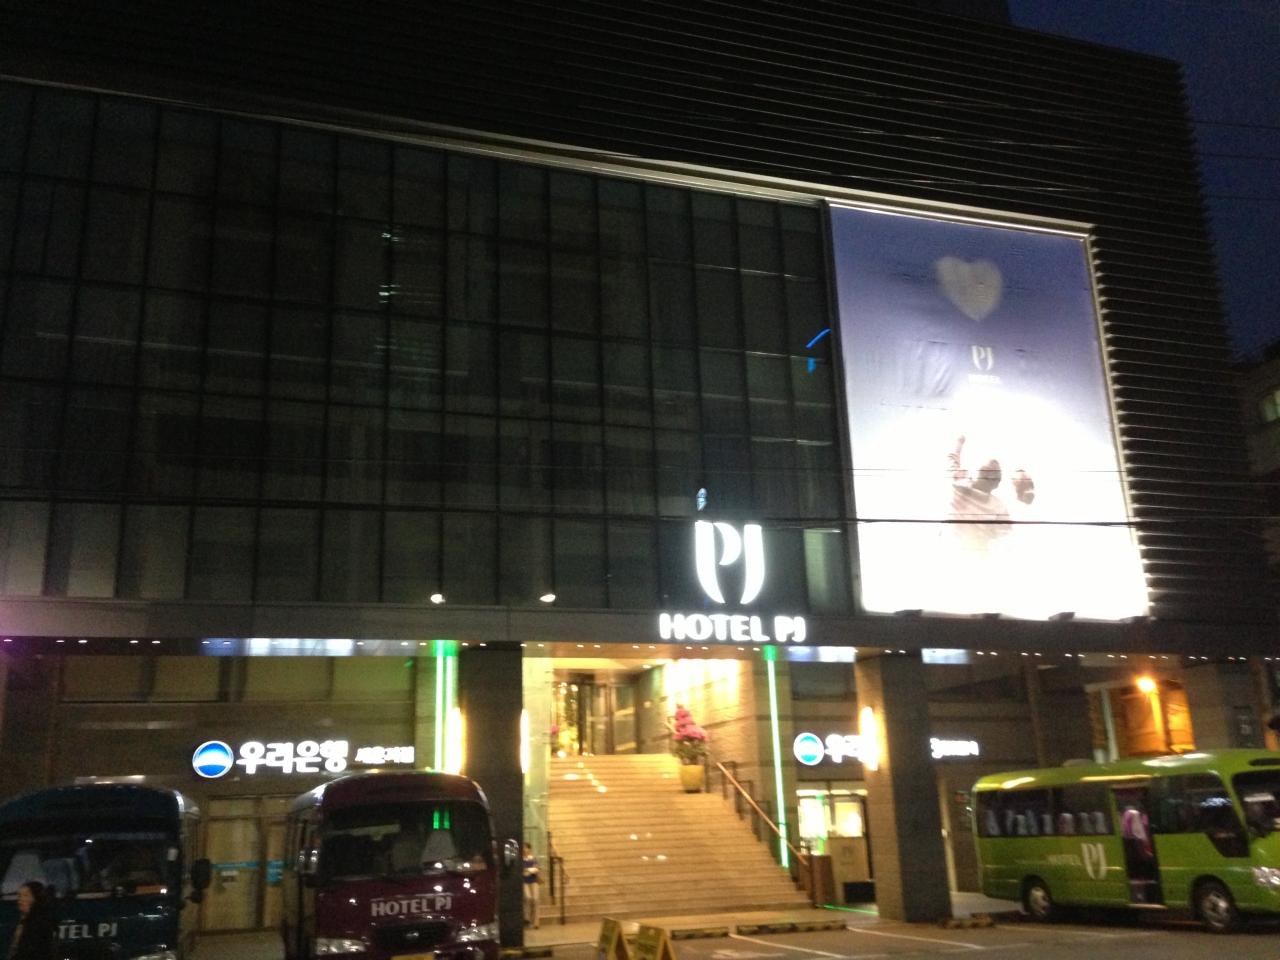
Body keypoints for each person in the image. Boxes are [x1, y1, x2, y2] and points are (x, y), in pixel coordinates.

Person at [8, 881, 56, 960]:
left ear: (35, 898)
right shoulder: (22, 921)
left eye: (26, 895)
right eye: (19, 895)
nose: (20, 899)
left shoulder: (39, 923)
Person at [521, 843, 540, 930]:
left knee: (535, 899)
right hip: (524, 881)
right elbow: (522, 870)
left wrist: (528, 870)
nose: (525, 850)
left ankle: (536, 922)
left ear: (529, 849)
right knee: (528, 898)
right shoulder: (521, 860)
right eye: (523, 848)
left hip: (533, 881)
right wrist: (530, 869)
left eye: (526, 848)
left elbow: (536, 869)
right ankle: (527, 919)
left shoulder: (533, 858)